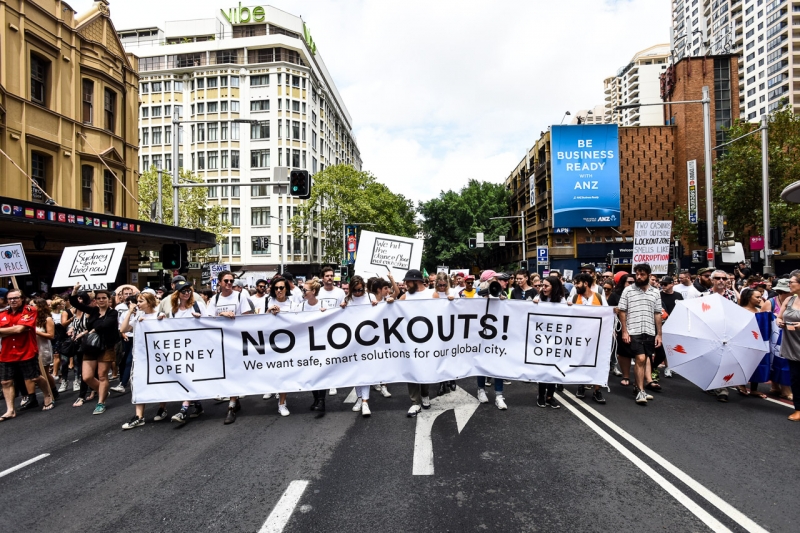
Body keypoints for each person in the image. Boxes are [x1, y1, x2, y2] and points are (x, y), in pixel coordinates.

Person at [206, 270, 254, 424]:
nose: (229, 284)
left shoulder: (240, 297)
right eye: (226, 281)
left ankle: (232, 405)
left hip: (237, 341)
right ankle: (235, 398)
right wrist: (222, 315)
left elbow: (248, 317)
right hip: (221, 342)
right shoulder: (215, 299)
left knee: (234, 371)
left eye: (231, 281)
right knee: (226, 372)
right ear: (219, 282)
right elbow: (209, 319)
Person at [0, 289, 54, 420]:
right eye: (10, 298)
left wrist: (9, 331)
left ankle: (48, 395)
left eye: (16, 298)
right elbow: (13, 331)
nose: (12, 300)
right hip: (7, 352)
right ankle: (10, 410)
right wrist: (12, 330)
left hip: (26, 351)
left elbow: (20, 329)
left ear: (22, 298)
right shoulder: (2, 314)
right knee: (6, 381)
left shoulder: (29, 310)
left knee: (34, 377)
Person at [120, 292, 169, 429]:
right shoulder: (138, 316)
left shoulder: (159, 314)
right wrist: (130, 312)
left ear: (149, 301)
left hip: (158, 355)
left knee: (161, 380)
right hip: (141, 356)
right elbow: (123, 329)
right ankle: (139, 416)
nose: (138, 303)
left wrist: (158, 320)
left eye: (141, 301)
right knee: (139, 382)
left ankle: (162, 407)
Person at [69, 284, 120, 415]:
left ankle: (101, 402)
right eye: (99, 298)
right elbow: (75, 303)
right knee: (86, 377)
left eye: (104, 298)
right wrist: (75, 290)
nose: (101, 300)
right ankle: (103, 390)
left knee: (102, 376)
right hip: (91, 346)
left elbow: (107, 324)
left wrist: (95, 329)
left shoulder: (113, 312)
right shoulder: (92, 311)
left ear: (109, 300)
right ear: (95, 300)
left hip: (106, 347)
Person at [618, 263, 663, 406]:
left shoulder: (655, 292)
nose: (638, 276)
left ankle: (639, 386)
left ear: (648, 275)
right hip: (634, 330)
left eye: (642, 274)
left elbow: (657, 314)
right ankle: (640, 391)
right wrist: (624, 330)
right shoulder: (628, 291)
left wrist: (659, 334)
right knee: (640, 358)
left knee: (644, 359)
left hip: (649, 330)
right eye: (636, 274)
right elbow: (622, 311)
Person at [340, 275, 379, 416]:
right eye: (355, 290)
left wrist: (376, 305)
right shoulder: (347, 300)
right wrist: (341, 307)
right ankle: (359, 398)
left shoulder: (369, 297)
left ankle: (365, 402)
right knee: (356, 371)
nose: (358, 293)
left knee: (365, 370)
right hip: (351, 341)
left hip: (367, 340)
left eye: (360, 290)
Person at [531, 276, 572, 408]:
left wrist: (569, 307)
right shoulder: (539, 299)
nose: (543, 288)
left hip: (556, 341)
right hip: (542, 340)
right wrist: (533, 303)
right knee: (544, 369)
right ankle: (541, 395)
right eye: (542, 285)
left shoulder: (561, 300)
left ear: (554, 287)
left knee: (553, 369)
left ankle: (550, 396)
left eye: (546, 286)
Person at [291, 277, 330, 415]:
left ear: (313, 291)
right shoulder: (300, 306)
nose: (302, 291)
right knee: (311, 372)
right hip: (306, 344)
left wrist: (328, 314)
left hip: (322, 344)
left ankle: (322, 401)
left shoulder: (324, 305)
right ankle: (316, 399)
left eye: (305, 289)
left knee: (321, 371)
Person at [398, 269, 434, 416]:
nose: (405, 284)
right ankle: (415, 401)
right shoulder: (405, 297)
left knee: (424, 367)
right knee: (412, 369)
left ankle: (425, 394)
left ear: (416, 281)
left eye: (408, 281)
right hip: (410, 340)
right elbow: (393, 310)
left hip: (428, 339)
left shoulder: (432, 294)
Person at [570, 273, 607, 404]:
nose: (575, 285)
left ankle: (597, 390)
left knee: (597, 363)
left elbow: (607, 315)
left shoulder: (599, 298)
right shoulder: (574, 297)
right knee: (581, 362)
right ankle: (581, 386)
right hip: (580, 337)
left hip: (597, 337)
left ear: (585, 283)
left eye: (578, 283)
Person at [775, 269, 800, 421]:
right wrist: (779, 322)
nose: (789, 284)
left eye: (792, 282)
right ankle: (798, 409)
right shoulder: (788, 300)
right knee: (796, 378)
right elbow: (779, 317)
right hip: (791, 344)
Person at [737, 287, 770, 399]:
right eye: (757, 297)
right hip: (744, 342)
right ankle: (741, 384)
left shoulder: (759, 311)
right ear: (748, 297)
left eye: (760, 296)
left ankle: (754, 389)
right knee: (744, 363)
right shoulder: (741, 311)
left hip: (757, 342)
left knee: (756, 364)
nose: (760, 299)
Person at [767, 278, 793, 400]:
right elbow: (763, 320)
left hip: (791, 337)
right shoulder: (771, 302)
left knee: (785, 362)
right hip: (774, 338)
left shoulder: (795, 301)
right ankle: (776, 385)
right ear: (781, 292)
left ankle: (785, 387)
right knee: (775, 362)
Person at [655, 276, 683, 379]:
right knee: (661, 349)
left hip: (675, 325)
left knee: (671, 347)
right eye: (661, 284)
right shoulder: (658, 295)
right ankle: (655, 367)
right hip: (660, 325)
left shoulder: (678, 295)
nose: (663, 286)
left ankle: (669, 367)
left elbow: (682, 309)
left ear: (672, 284)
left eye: (665, 284)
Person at [31, 298, 58, 401]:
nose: (30, 307)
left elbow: (51, 335)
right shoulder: (31, 318)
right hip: (33, 347)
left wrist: (35, 331)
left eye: (33, 305)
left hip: (43, 348)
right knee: (37, 373)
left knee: (44, 373)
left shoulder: (48, 319)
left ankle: (52, 391)